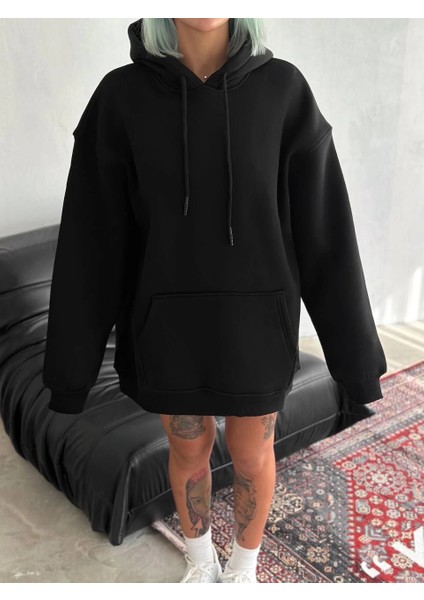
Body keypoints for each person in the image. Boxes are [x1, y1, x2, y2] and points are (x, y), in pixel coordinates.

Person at [43, 18, 387, 583]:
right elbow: (92, 242)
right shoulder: (120, 97)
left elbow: (325, 233)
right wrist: (70, 372)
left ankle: (243, 572)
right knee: (187, 451)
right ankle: (201, 564)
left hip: (257, 329)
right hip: (166, 332)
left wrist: (356, 363)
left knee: (251, 455)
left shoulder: (284, 90)